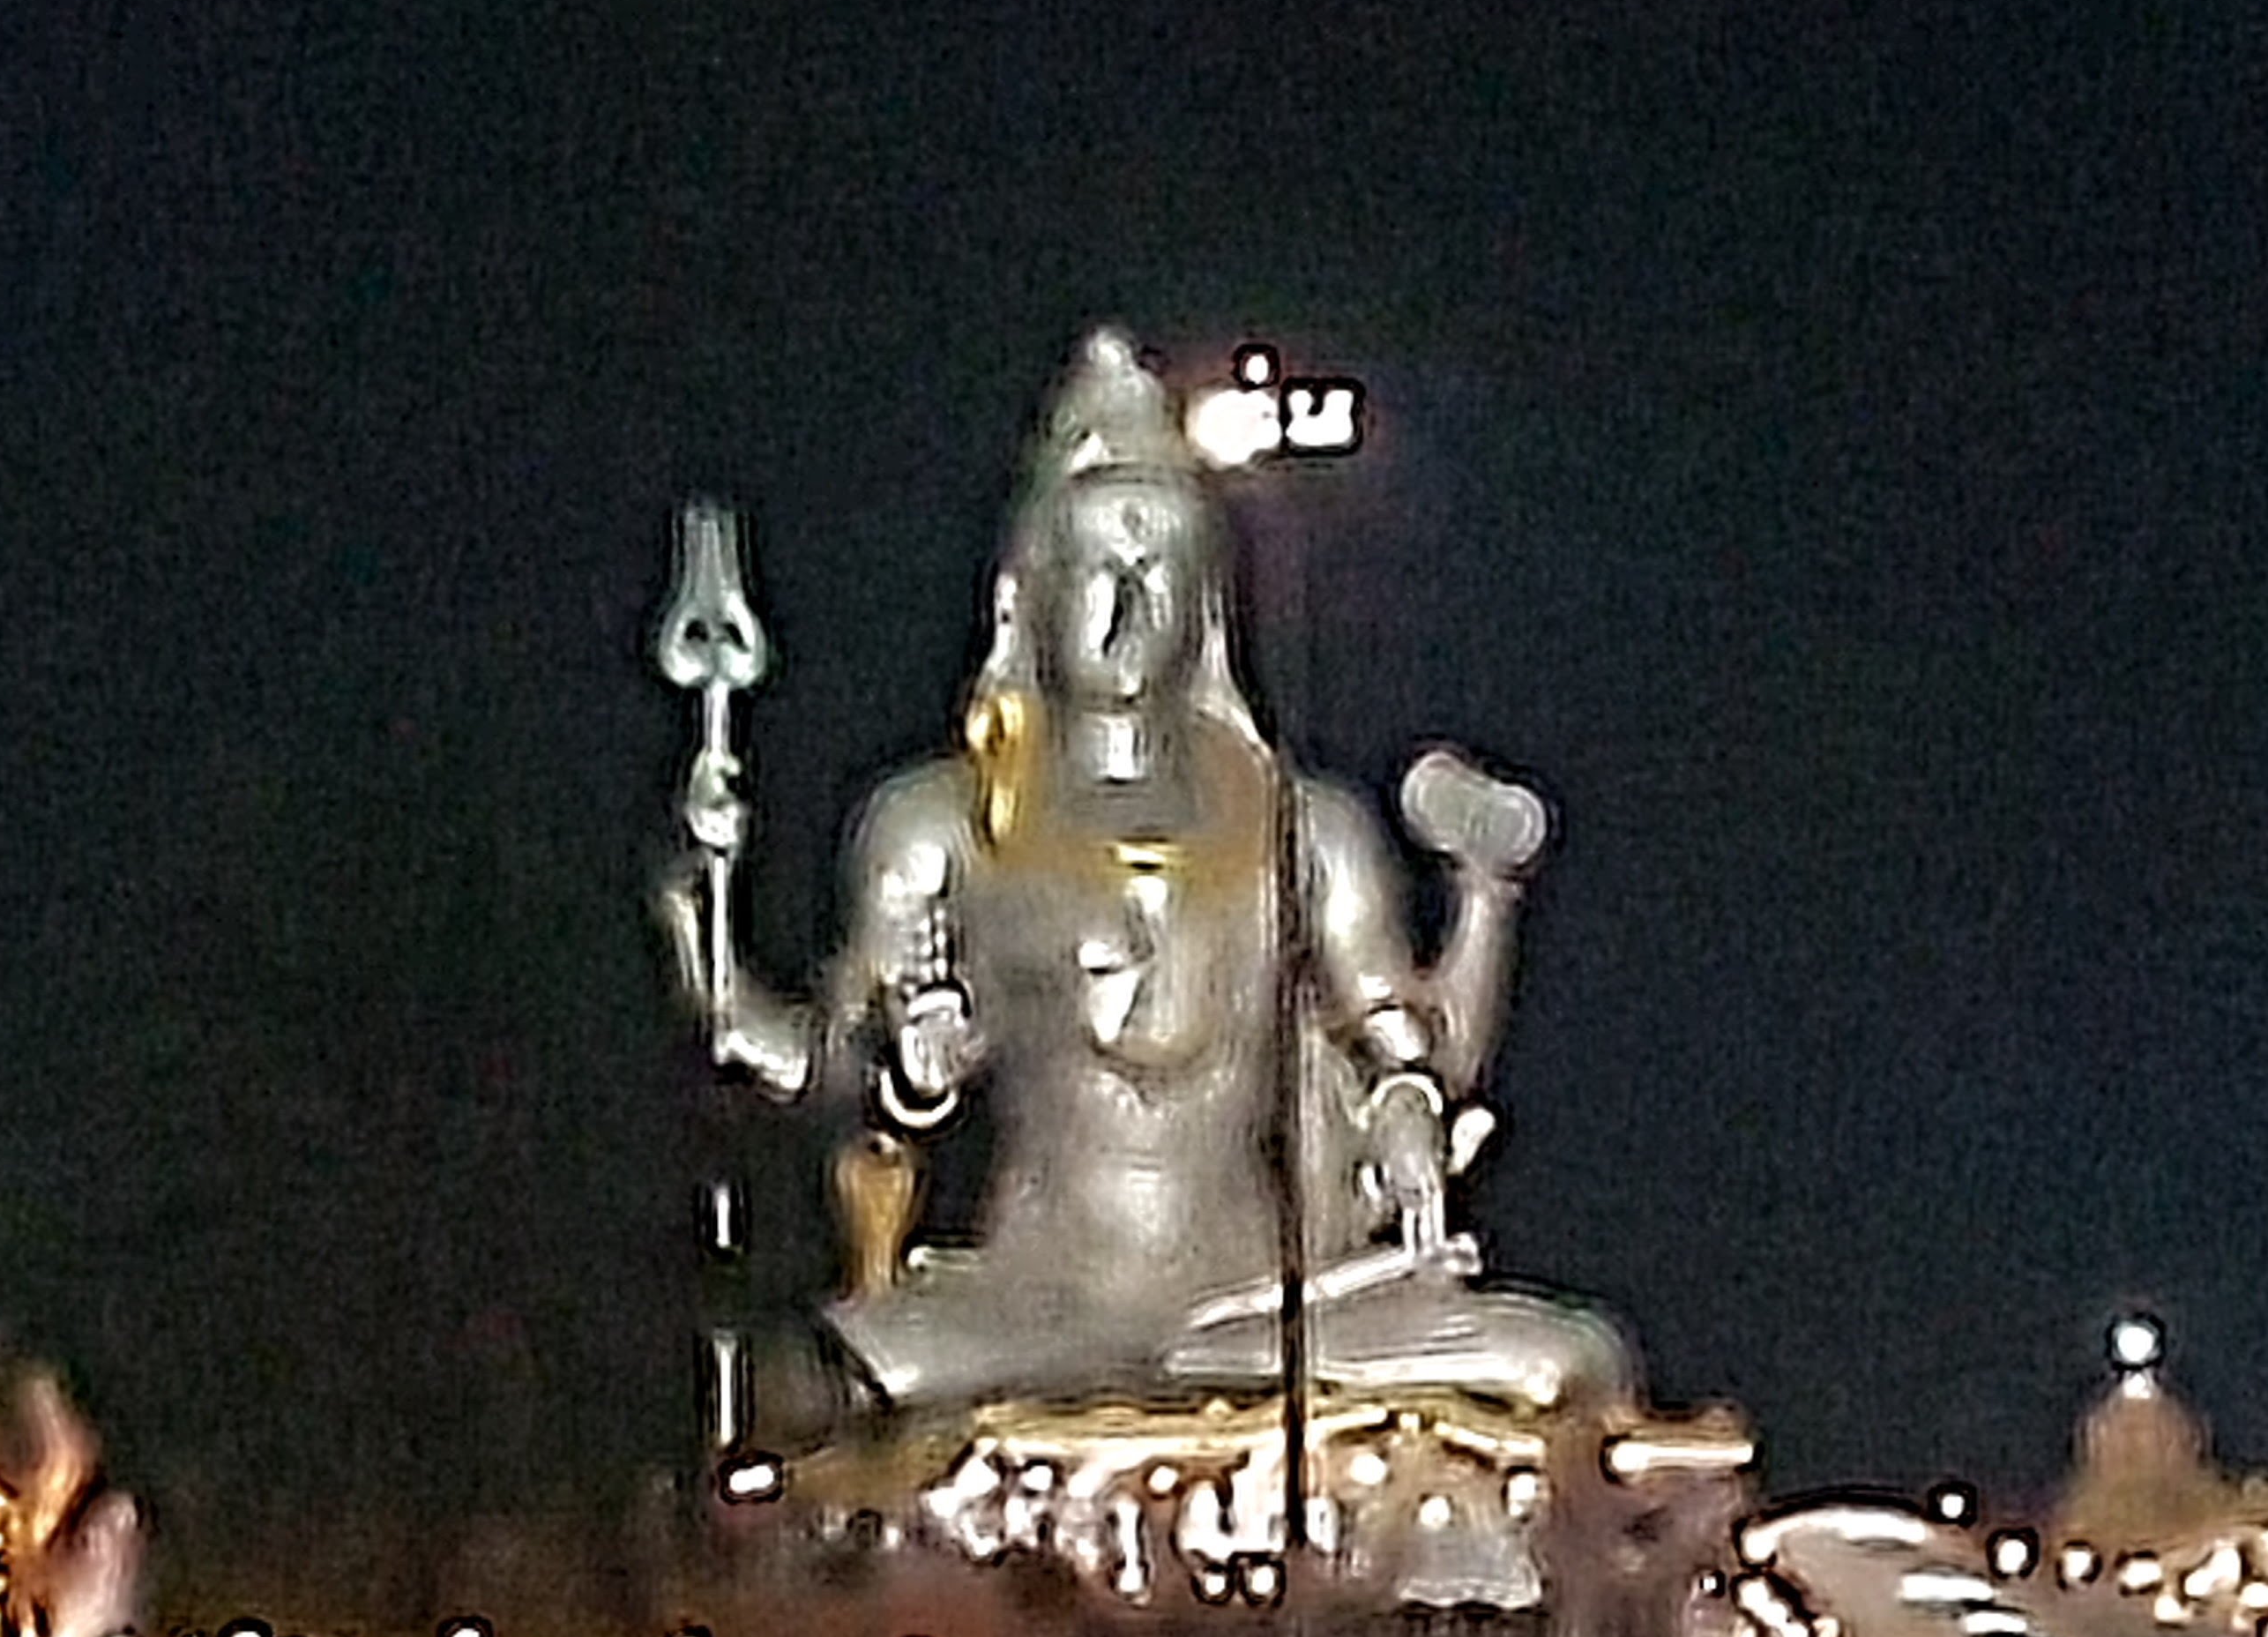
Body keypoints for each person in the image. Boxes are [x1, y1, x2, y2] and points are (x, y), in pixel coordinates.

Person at [667, 330, 1630, 1420]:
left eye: (1159, 570)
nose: (1127, 608)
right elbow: (830, 1069)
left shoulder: (1302, 828)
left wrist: (1409, 1096)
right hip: (1032, 1305)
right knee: (806, 1386)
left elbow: (1403, 1042)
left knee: (1566, 1363)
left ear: (1208, 601)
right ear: (1027, 593)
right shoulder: (943, 824)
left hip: (1265, 1307)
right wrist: (879, 1052)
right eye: (1093, 571)